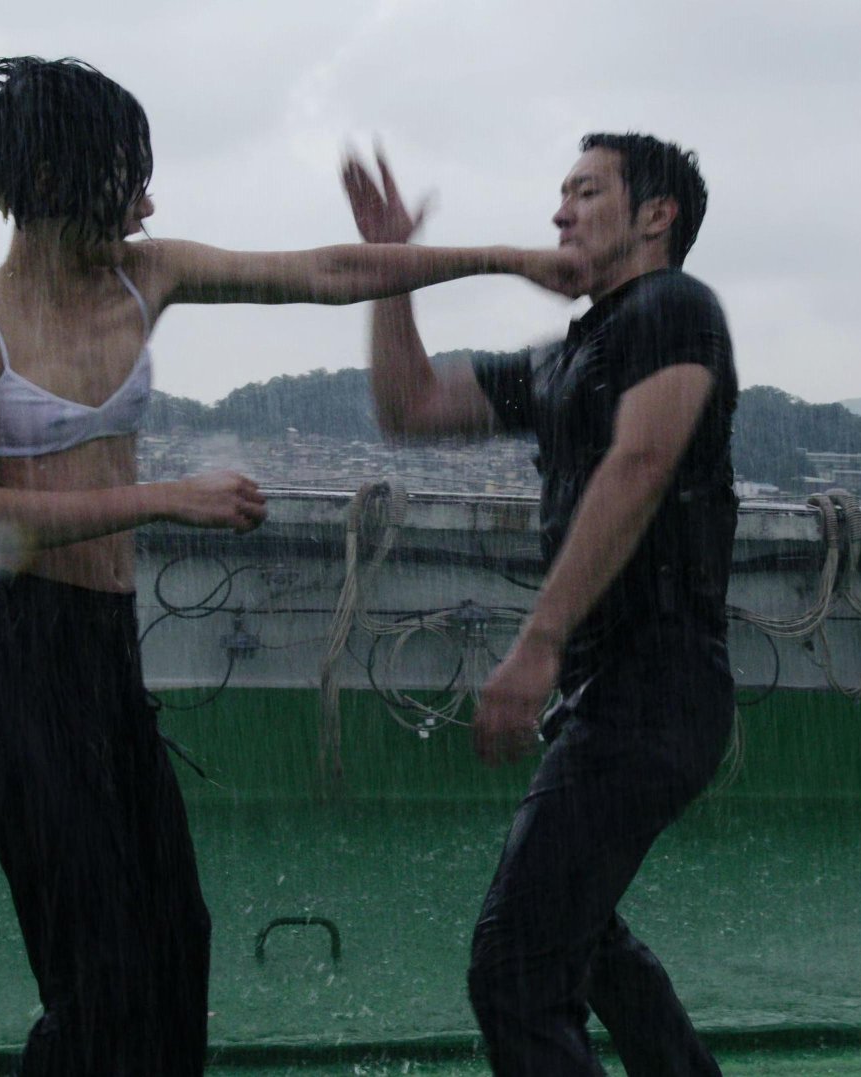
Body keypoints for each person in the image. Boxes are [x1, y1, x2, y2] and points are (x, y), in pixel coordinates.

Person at [0, 56, 583, 1076]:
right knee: (99, 974)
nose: (146, 204)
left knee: (177, 942)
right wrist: (164, 498)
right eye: (126, 179)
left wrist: (510, 259)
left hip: (104, 661)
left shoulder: (146, 274)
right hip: (13, 670)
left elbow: (326, 273)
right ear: (50, 180)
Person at [344, 134, 736, 1076]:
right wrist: (391, 272)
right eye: (561, 193)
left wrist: (538, 642)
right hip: (616, 694)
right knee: (584, 939)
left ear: (656, 215)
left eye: (586, 191)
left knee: (513, 971)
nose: (560, 212)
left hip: (656, 687)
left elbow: (640, 464)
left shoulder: (676, 308)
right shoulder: (567, 357)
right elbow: (411, 405)